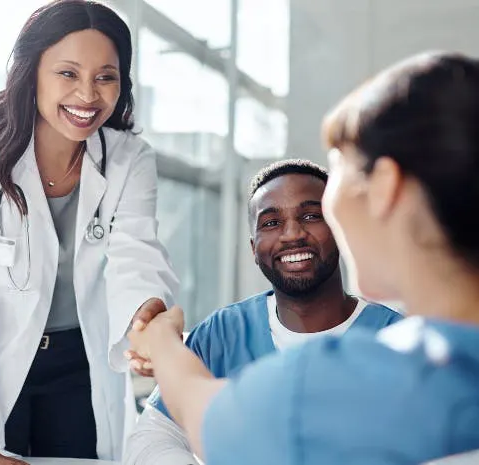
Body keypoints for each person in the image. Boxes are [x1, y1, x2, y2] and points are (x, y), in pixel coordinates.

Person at [127, 51, 479, 464]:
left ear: (385, 187)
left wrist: (163, 340)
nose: (295, 232)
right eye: (271, 222)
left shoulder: (344, 382)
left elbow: (208, 418)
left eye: (338, 168)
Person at [0, 1, 179, 464]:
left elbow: (137, 254)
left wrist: (145, 318)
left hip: (78, 367)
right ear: (32, 73)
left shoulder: (129, 159)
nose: (88, 94)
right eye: (68, 73)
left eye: (106, 76)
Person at [121, 159, 403, 465]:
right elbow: (154, 434)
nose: (292, 234)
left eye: (310, 216)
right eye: (271, 222)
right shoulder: (223, 333)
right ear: (254, 249)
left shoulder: (396, 339)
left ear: (339, 229)